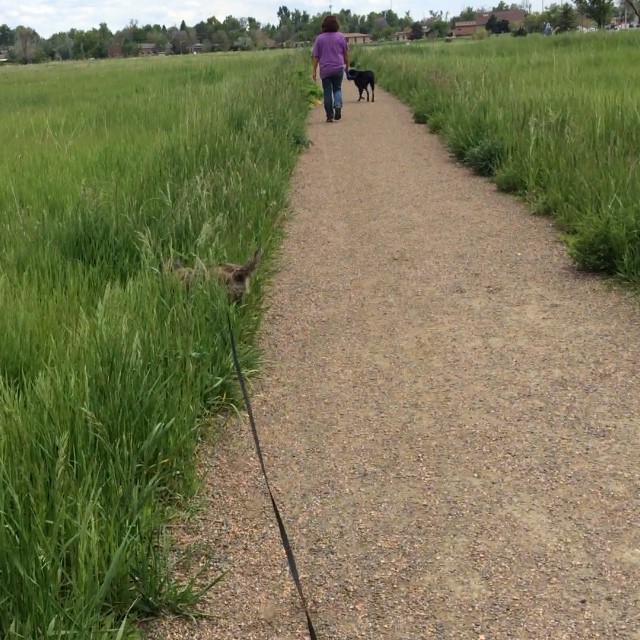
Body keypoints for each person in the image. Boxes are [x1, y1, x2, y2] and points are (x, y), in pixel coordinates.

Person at [311, 15, 349, 123]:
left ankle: (329, 115)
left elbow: (316, 56)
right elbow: (346, 54)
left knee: (327, 91)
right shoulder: (341, 37)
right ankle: (337, 106)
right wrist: (347, 66)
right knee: (337, 88)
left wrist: (314, 71)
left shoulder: (319, 38)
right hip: (338, 68)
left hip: (325, 69)